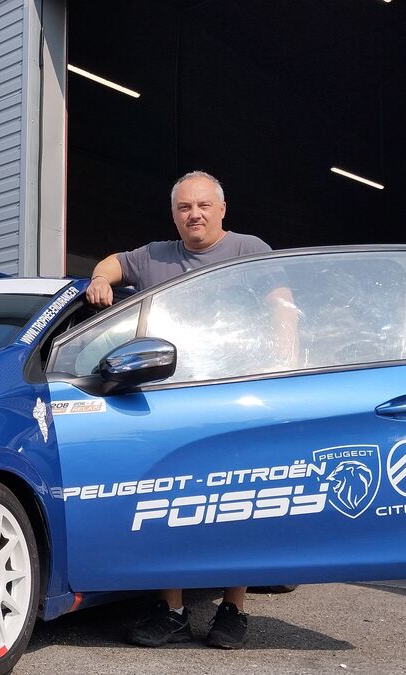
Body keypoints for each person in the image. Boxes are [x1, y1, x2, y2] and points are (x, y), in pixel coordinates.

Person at [85, 170, 295, 650]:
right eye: (184, 207)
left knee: (234, 503)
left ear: (222, 210)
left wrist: (285, 368)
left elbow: (283, 305)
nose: (194, 215)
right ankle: (172, 608)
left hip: (233, 399)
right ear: (174, 214)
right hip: (171, 403)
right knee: (173, 501)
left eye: (203, 206)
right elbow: (113, 262)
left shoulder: (248, 250)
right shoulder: (155, 254)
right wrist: (99, 278)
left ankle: (234, 609)